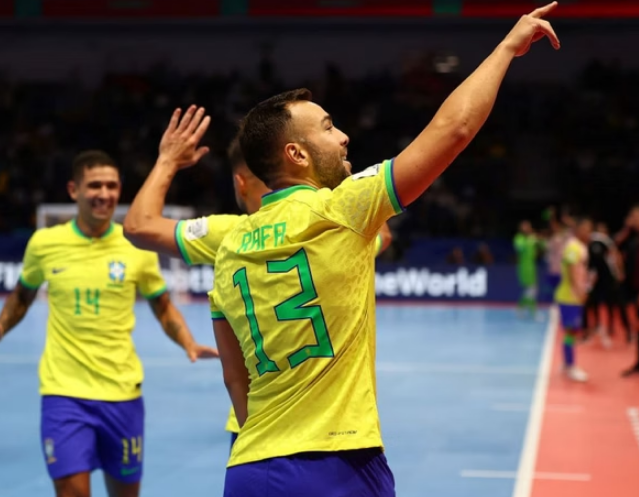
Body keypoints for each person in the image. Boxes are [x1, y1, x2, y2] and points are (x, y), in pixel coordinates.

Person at [208, 4, 561, 496]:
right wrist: (506, 48)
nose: (344, 135)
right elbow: (452, 131)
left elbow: (234, 380)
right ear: (297, 153)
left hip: (249, 469)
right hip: (336, 464)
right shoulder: (340, 209)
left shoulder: (228, 250)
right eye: (329, 127)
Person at [124, 107, 392, 447]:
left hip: (257, 428)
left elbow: (137, 226)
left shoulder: (229, 235)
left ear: (239, 182)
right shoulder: (335, 221)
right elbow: (383, 235)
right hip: (335, 436)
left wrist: (167, 161)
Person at [0, 150, 218, 497]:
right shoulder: (44, 243)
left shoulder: (137, 245)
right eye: (95, 185)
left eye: (112, 186)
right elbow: (22, 295)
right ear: (74, 190)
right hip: (63, 394)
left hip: (122, 394)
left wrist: (188, 342)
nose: (105, 193)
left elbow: (162, 306)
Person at [554, 217, 593, 382]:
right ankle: (570, 366)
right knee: (570, 331)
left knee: (572, 332)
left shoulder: (581, 247)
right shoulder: (573, 247)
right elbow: (570, 270)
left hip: (574, 296)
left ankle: (566, 363)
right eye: (586, 229)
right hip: (569, 297)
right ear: (578, 230)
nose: (589, 233)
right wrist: (579, 291)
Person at [584, 222, 629, 348]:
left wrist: (620, 273)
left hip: (609, 279)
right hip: (596, 281)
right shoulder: (591, 241)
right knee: (593, 304)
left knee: (616, 304)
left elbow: (616, 255)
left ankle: (618, 329)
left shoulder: (607, 242)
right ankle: (596, 327)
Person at [616, 206, 639, 376]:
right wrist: (626, 228)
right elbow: (614, 245)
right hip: (633, 288)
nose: (632, 219)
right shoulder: (632, 239)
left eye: (635, 216)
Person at [514, 220, 543, 319]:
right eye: (524, 227)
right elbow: (520, 248)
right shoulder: (519, 238)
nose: (526, 229)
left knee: (532, 291)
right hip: (524, 268)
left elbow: (542, 246)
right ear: (521, 228)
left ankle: (521, 308)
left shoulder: (533, 238)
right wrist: (530, 241)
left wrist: (538, 240)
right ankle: (532, 313)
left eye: (528, 227)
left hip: (532, 268)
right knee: (531, 290)